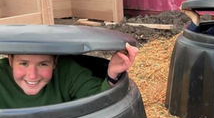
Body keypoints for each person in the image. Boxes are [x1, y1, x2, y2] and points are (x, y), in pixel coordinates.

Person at [0, 42, 138, 109]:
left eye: (43, 64)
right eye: (24, 64)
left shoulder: (67, 71)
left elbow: (100, 102)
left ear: (55, 62)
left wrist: (112, 74)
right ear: (10, 60)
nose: (32, 76)